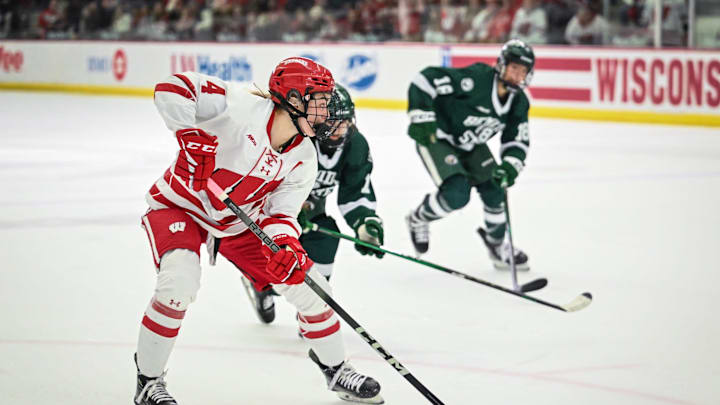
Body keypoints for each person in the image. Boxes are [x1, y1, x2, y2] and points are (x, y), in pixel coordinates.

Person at [135, 57, 383, 405]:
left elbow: (281, 213)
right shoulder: (237, 105)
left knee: (311, 287)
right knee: (178, 282)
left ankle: (337, 369)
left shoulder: (304, 158)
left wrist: (286, 244)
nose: (327, 113)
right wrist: (187, 133)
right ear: (294, 99)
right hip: (182, 206)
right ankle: (148, 382)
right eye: (321, 101)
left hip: (239, 222)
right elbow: (173, 87)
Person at [240, 83, 385, 325]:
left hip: (311, 217)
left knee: (327, 237)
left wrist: (364, 223)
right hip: (271, 218)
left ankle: (314, 312)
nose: (341, 130)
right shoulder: (295, 138)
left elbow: (355, 190)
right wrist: (290, 213)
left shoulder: (355, 144)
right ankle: (262, 286)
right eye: (333, 124)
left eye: (346, 122)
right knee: (277, 270)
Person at [405, 39, 534, 271]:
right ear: (502, 65)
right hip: (437, 137)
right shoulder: (477, 79)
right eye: (514, 67)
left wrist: (510, 165)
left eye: (523, 71)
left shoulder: (519, 102)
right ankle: (418, 218)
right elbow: (425, 78)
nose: (518, 75)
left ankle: (497, 246)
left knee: (496, 189)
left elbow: (517, 139)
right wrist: (421, 115)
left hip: (471, 144)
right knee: (457, 194)